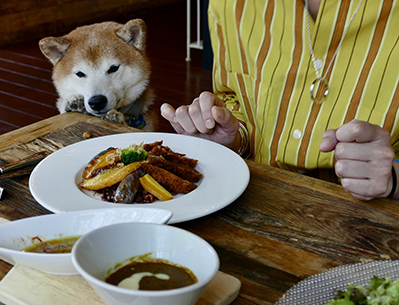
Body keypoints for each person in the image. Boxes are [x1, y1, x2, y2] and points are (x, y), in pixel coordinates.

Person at [161, 0, 399, 201]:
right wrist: (229, 137)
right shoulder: (229, 4)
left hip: (376, 224)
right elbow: (235, 99)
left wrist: (394, 177)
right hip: (250, 203)